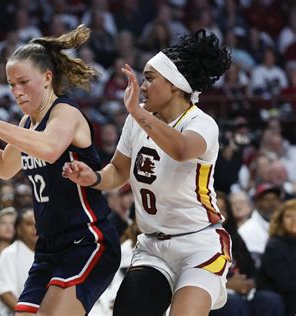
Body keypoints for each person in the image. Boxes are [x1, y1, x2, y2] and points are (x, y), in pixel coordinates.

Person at [0, 24, 121, 315]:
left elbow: (50, 148)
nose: (16, 91)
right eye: (10, 84)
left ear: (47, 78)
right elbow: (4, 166)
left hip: (87, 240)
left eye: (22, 82)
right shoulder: (26, 124)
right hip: (48, 246)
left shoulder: (65, 113)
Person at [63, 29, 232, 315]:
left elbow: (180, 150)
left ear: (176, 86)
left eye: (149, 78)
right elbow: (118, 171)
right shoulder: (137, 120)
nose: (142, 86)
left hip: (200, 244)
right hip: (153, 246)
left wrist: (136, 113)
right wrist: (93, 177)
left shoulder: (201, 124)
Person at [0, 208, 37, 314]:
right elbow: (4, 293)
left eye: (38, 223)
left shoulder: (49, 253)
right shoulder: (9, 253)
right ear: (19, 229)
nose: (35, 228)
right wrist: (26, 314)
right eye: (29, 224)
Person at [258, 199, 296, 316]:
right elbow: (286, 284)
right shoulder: (274, 247)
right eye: (289, 216)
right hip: (280, 298)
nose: (294, 220)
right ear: (281, 221)